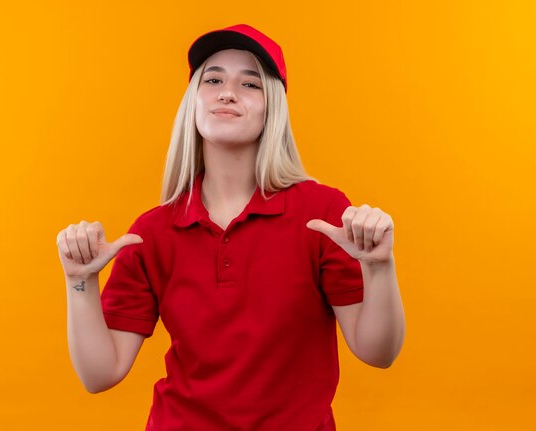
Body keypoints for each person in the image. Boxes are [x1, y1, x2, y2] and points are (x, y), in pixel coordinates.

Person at [56, 24, 405, 431]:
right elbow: (100, 375)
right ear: (193, 102)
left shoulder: (322, 214)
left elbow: (378, 353)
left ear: (272, 108)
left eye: (250, 84)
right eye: (214, 79)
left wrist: (380, 267)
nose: (227, 92)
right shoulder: (152, 232)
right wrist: (79, 281)